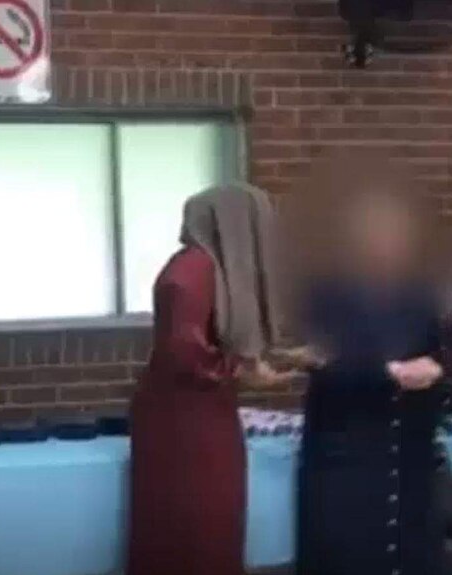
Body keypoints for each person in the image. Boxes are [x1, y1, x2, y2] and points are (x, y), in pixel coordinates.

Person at [128, 183, 295, 575]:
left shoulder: (205, 267)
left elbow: (212, 340)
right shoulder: (191, 272)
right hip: (183, 424)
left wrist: (272, 358)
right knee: (197, 526)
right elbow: (185, 354)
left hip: (201, 413)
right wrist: (246, 371)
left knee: (212, 521)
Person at [289, 172, 449, 575]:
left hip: (410, 456)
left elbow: (437, 355)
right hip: (346, 459)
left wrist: (438, 369)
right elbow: (319, 359)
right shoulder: (324, 296)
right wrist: (389, 371)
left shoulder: (421, 296)